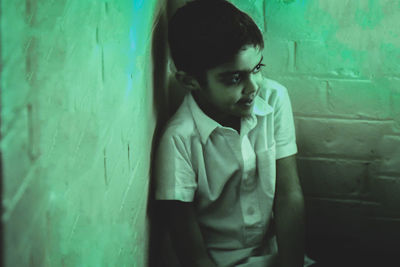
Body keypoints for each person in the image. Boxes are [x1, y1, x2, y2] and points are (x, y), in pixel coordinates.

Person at [154, 0, 306, 266]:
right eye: (234, 78)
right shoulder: (178, 139)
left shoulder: (274, 98)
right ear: (190, 81)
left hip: (270, 254)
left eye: (257, 69)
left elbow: (288, 194)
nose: (253, 87)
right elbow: (189, 247)